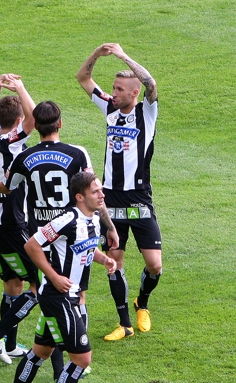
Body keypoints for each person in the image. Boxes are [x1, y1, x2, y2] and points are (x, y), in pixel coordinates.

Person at [0, 102, 118, 375]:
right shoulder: (76, 153)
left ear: (36, 125)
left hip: (41, 235)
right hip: (72, 231)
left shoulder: (25, 157)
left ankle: (64, 355)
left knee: (57, 296)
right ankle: (67, 362)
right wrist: (109, 227)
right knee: (68, 296)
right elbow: (94, 190)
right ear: (60, 124)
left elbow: (7, 187)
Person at [0, 172, 117, 383]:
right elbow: (31, 245)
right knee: (82, 359)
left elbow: (83, 248)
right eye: (96, 191)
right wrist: (53, 276)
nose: (102, 195)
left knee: (40, 352)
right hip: (58, 297)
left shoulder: (94, 219)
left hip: (67, 296)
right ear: (80, 197)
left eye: (101, 190)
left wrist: (103, 259)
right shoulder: (67, 218)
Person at [76, 43, 162, 341]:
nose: (114, 93)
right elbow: (83, 79)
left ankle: (143, 303)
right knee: (115, 261)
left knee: (154, 264)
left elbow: (151, 83)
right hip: (109, 199)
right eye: (113, 87)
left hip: (139, 198)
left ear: (133, 93)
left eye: (120, 89)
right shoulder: (110, 108)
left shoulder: (147, 113)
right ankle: (125, 323)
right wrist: (96, 56)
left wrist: (124, 56)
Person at [0, 73, 37, 361]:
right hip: (14, 222)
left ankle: (9, 346)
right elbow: (34, 120)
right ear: (16, 121)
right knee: (41, 283)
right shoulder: (13, 141)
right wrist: (21, 88)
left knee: (13, 284)